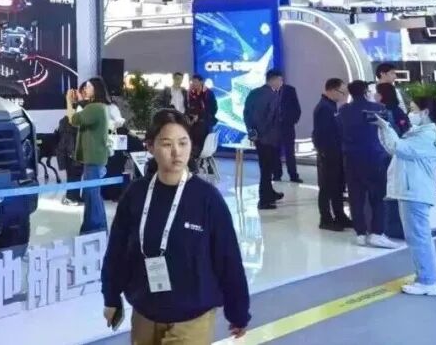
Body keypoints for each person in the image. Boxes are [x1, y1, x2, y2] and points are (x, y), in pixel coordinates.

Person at [101, 109, 250, 344]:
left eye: (183, 143)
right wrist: (111, 295)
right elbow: (117, 250)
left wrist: (238, 311)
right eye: (166, 144)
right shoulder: (136, 194)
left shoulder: (207, 199)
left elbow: (228, 257)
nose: (176, 152)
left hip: (191, 319)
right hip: (145, 314)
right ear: (150, 147)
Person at [376, 96, 436, 296]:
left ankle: (427, 281)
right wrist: (383, 128)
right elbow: (394, 148)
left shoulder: (426, 136)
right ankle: (430, 278)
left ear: (425, 112)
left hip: (414, 193)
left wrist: (386, 127)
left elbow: (398, 148)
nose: (410, 113)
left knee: (418, 238)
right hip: (413, 191)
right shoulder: (419, 133)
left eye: (414, 109)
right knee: (420, 237)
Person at [338, 80, 400, 249]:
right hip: (374, 157)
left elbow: (339, 131)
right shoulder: (378, 108)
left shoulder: (343, 110)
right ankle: (377, 232)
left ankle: (360, 233)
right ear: (366, 91)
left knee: (356, 196)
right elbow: (389, 130)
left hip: (351, 158)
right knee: (378, 196)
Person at [67, 77, 113, 233]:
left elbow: (74, 120)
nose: (84, 90)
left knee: (92, 196)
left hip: (93, 158)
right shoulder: (98, 107)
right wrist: (79, 102)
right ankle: (94, 228)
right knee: (92, 195)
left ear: (96, 89)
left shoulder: (95, 108)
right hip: (95, 157)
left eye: (88, 87)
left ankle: (95, 229)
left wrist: (68, 102)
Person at [243, 69, 286, 210]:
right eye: (280, 80)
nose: (281, 83)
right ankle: (264, 200)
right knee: (267, 169)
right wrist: (263, 133)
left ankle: (269, 192)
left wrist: (253, 133)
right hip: (269, 138)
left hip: (258, 138)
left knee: (265, 168)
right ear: (274, 80)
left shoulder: (254, 93)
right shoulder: (273, 96)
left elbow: (246, 114)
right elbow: (270, 118)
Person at [313, 78, 350, 231]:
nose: (343, 96)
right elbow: (321, 134)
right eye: (342, 92)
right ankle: (326, 219)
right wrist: (324, 152)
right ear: (333, 90)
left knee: (337, 186)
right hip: (329, 154)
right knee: (327, 187)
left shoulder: (332, 106)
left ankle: (340, 215)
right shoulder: (324, 108)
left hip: (337, 152)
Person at [272, 79, 302, 183]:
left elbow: (297, 108)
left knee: (290, 152)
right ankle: (276, 174)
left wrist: (292, 121)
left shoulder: (290, 90)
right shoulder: (269, 91)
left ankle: (293, 175)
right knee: (275, 152)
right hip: (274, 128)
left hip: (287, 126)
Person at [186, 74, 218, 168]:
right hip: (194, 122)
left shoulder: (208, 93)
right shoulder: (191, 93)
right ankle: (193, 162)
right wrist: (192, 116)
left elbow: (212, 108)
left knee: (199, 139)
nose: (194, 84)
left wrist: (200, 116)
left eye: (196, 82)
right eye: (193, 82)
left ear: (201, 82)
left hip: (205, 122)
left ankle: (195, 164)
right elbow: (191, 107)